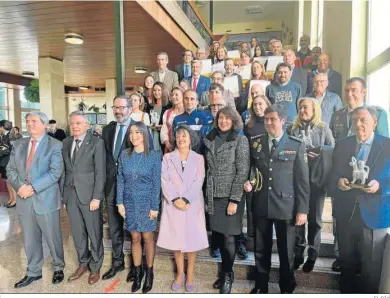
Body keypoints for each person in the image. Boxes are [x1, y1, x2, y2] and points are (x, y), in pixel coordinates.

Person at [247, 105, 309, 294]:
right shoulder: (256, 142)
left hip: (286, 207)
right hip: (261, 204)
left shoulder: (295, 145)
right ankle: (261, 285)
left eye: (273, 119)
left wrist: (303, 210)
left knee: (286, 251)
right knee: (260, 249)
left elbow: (302, 181)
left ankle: (287, 286)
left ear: (282, 120)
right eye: (266, 119)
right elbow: (252, 169)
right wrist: (249, 181)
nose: (269, 123)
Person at [328, 77, 389, 272]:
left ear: (375, 122)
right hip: (346, 214)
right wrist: (338, 181)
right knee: (347, 265)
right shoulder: (343, 143)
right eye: (355, 120)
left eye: (364, 120)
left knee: (371, 269)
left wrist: (380, 185)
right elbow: (332, 174)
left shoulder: (387, 145)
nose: (359, 124)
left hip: (374, 214)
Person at [7, 111, 65, 288]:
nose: (29, 124)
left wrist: (32, 188)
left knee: (52, 237)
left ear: (44, 124)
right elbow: (10, 170)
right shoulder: (18, 144)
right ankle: (33, 271)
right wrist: (20, 188)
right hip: (24, 200)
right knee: (30, 239)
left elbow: (55, 172)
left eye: (33, 121)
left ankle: (58, 267)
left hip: (45, 199)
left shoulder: (54, 145)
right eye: (27, 121)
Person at [203, 106, 250, 294]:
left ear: (234, 121)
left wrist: (234, 199)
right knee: (220, 237)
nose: (223, 121)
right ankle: (224, 272)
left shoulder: (240, 139)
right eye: (221, 117)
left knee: (229, 237)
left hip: (231, 195)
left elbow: (242, 171)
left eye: (227, 118)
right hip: (213, 194)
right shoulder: (210, 137)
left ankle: (228, 275)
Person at [157, 125, 208, 292]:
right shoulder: (167, 158)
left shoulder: (199, 158)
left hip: (192, 204)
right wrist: (175, 199)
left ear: (191, 138)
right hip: (174, 204)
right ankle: (180, 273)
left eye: (184, 135)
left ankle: (191, 274)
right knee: (177, 242)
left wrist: (186, 199)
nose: (181, 139)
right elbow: (164, 179)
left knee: (191, 242)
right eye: (178, 136)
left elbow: (199, 180)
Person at [287, 98, 335, 273]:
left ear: (315, 109)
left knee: (315, 220)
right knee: (298, 219)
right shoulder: (292, 128)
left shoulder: (323, 128)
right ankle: (298, 253)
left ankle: (313, 255)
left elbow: (333, 150)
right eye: (300, 107)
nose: (302, 110)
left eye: (305, 107)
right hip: (297, 182)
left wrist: (320, 151)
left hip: (317, 181)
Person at [60, 111, 106, 285]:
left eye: (78, 123)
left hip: (89, 196)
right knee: (78, 234)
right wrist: (64, 197)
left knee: (94, 233)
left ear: (87, 125)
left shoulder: (96, 143)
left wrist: (97, 197)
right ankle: (83, 263)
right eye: (72, 123)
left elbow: (100, 173)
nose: (74, 126)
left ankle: (96, 266)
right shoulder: (65, 143)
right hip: (71, 196)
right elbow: (65, 171)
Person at [116, 122, 161, 293]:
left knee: (148, 238)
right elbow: (120, 179)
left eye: (137, 132)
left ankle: (149, 272)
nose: (134, 136)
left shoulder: (155, 155)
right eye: (131, 133)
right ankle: (137, 270)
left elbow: (156, 183)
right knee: (135, 238)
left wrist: (154, 206)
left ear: (144, 135)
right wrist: (120, 202)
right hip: (129, 202)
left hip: (147, 202)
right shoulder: (124, 155)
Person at [101, 95, 134, 281]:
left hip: (131, 188)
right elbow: (105, 159)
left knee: (134, 229)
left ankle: (137, 266)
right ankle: (117, 262)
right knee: (114, 227)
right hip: (111, 187)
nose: (118, 111)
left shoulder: (139, 128)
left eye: (122, 107)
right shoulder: (108, 129)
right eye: (115, 107)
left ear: (130, 108)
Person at [160, 87, 184, 154]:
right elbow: (164, 130)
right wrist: (167, 144)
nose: (174, 97)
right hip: (170, 145)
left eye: (176, 95)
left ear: (182, 96)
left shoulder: (186, 111)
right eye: (172, 95)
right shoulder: (167, 112)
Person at [150, 82, 171, 151]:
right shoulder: (150, 107)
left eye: (159, 90)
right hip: (151, 137)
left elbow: (170, 124)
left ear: (164, 91)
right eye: (154, 90)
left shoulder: (169, 106)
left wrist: (160, 126)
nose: (156, 92)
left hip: (163, 139)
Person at [0, 120, 15, 208]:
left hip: (8, 161)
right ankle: (11, 198)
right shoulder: (4, 135)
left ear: (2, 127)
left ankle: (14, 200)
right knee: (7, 181)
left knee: (10, 181)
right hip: (3, 161)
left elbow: (11, 149)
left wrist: (2, 151)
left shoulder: (11, 135)